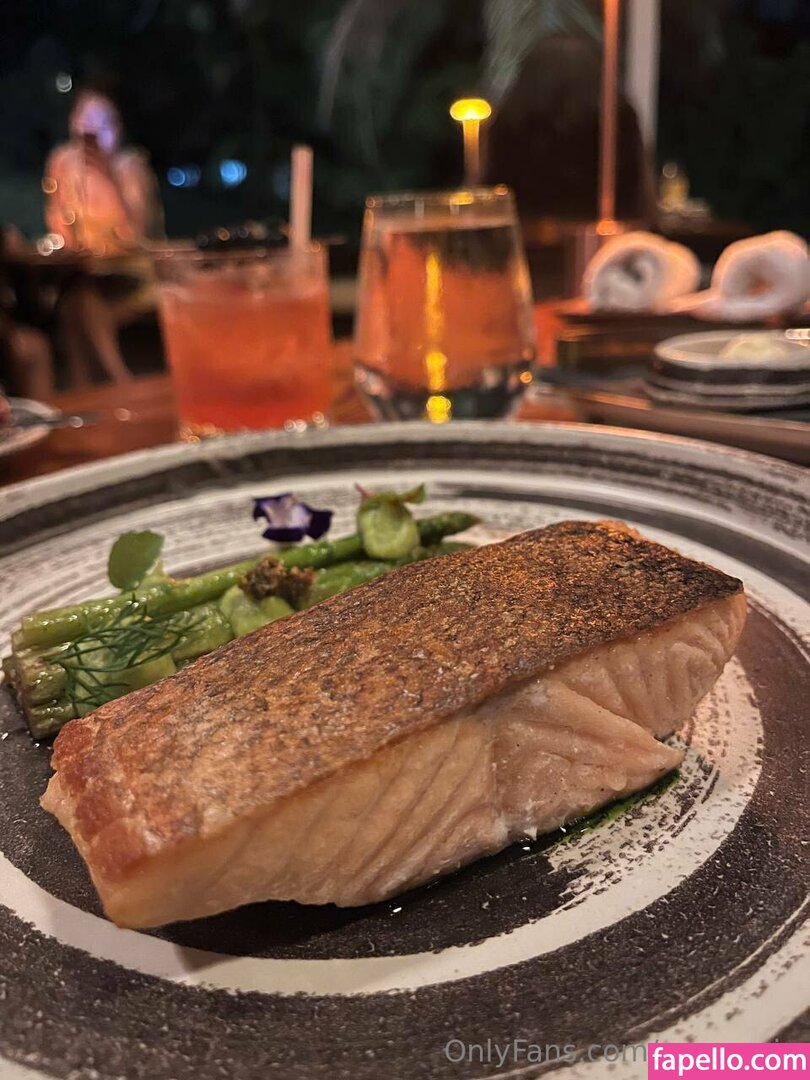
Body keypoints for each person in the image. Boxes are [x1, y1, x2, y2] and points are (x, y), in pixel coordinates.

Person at [43, 89, 163, 386]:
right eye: (84, 122)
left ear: (116, 127)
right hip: (88, 270)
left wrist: (110, 176)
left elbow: (137, 233)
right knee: (74, 303)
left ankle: (116, 385)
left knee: (80, 305)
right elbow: (58, 219)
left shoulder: (130, 167)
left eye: (101, 123)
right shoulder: (64, 165)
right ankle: (99, 390)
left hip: (130, 272)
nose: (91, 132)